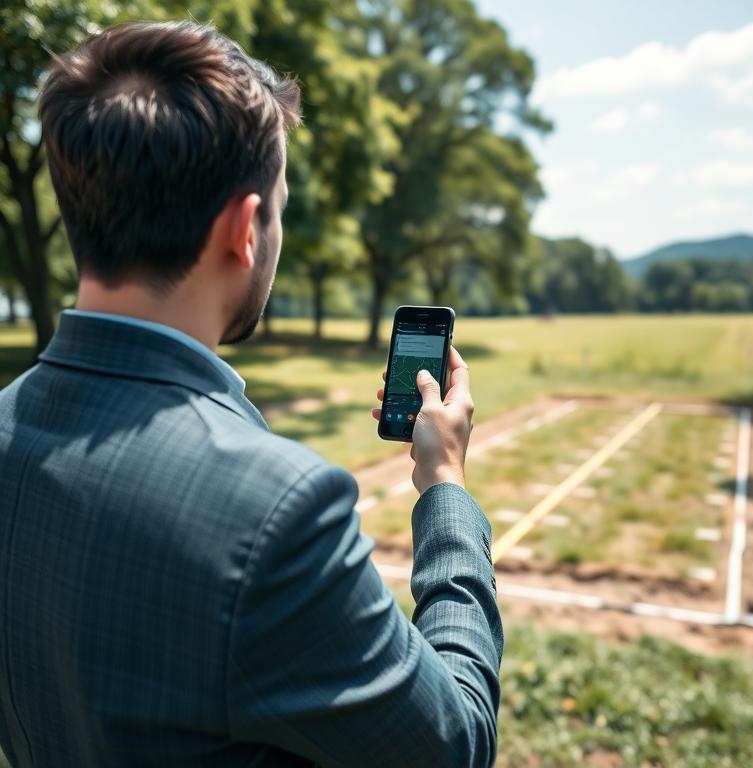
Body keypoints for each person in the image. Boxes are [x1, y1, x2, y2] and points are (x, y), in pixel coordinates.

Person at [0, 20, 501, 768]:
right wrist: (446, 486)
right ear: (245, 228)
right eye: (282, 206)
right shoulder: (278, 513)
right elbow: (454, 743)